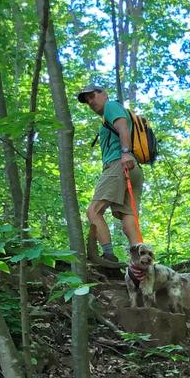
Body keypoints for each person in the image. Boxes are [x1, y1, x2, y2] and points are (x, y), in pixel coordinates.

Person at [77, 84, 142, 264]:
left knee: (93, 211)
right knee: (127, 215)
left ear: (103, 94)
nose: (90, 102)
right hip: (132, 168)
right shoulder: (109, 114)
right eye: (87, 100)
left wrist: (125, 152)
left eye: (92, 96)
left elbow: (122, 127)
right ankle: (140, 262)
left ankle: (108, 257)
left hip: (119, 164)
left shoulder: (111, 106)